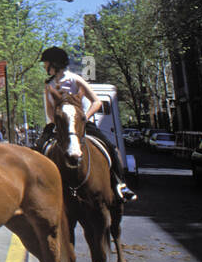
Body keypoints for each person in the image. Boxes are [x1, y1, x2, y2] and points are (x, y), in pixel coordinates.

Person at [34, 47, 138, 202]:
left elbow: (96, 102)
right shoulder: (48, 85)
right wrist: (59, 123)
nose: (44, 67)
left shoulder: (75, 79)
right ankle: (38, 189)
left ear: (54, 64)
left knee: (109, 147)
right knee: (38, 148)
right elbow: (50, 110)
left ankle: (120, 184)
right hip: (60, 124)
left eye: (45, 63)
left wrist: (84, 118)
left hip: (80, 122)